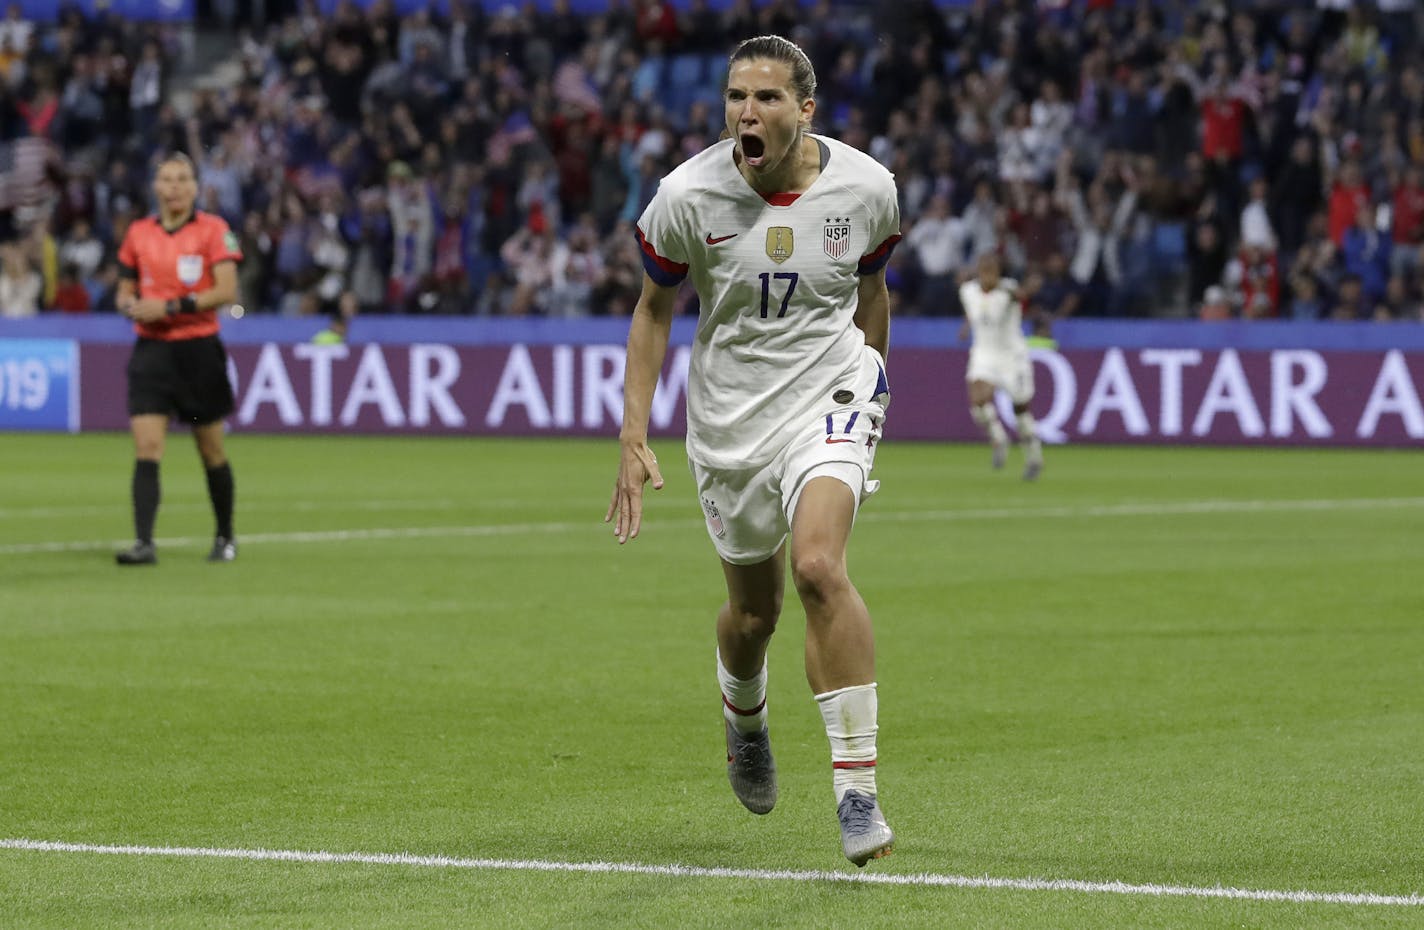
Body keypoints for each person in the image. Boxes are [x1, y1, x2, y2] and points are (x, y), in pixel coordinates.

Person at [604, 35, 900, 867]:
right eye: (737, 96)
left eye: (767, 98)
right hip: (731, 420)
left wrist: (873, 383)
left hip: (829, 394)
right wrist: (635, 429)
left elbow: (873, 292)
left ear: (806, 110)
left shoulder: (866, 188)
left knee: (817, 567)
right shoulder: (686, 197)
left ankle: (856, 793)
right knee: (754, 615)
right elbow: (653, 310)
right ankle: (745, 717)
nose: (747, 112)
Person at [113, 152, 243, 566]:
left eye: (183, 179)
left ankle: (224, 536)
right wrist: (130, 305)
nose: (174, 187)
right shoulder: (138, 233)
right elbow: (124, 288)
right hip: (152, 352)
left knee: (211, 451)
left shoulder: (213, 231)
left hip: (197, 350)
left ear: (195, 187)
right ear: (155, 185)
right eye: (167, 179)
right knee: (148, 446)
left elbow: (226, 291)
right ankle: (144, 543)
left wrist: (169, 307)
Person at [958, 252, 1043, 480]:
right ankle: (999, 438)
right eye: (984, 271)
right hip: (984, 353)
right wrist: (966, 327)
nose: (988, 276)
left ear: (998, 272)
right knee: (978, 402)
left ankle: (1034, 456)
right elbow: (974, 310)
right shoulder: (968, 291)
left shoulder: (1008, 290)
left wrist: (1027, 289)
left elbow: (1020, 295)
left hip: (1012, 357)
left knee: (1020, 410)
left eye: (992, 271)